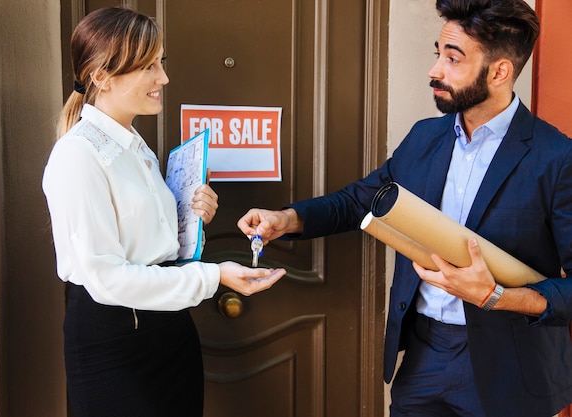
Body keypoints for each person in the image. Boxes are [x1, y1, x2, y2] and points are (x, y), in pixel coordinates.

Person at [238, 0, 572, 416]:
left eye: (453, 59)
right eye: (438, 54)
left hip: (514, 368)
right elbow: (359, 200)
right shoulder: (424, 137)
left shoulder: (557, 157)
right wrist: (284, 219)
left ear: (500, 71)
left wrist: (498, 297)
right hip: (424, 355)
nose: (435, 70)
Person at [42, 7, 286, 417]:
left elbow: (151, 243)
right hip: (116, 340)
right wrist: (216, 275)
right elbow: (106, 277)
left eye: (162, 63)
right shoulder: (77, 156)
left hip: (169, 327)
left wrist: (191, 218)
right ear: (101, 76)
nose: (164, 78)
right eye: (149, 66)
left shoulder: (137, 148)